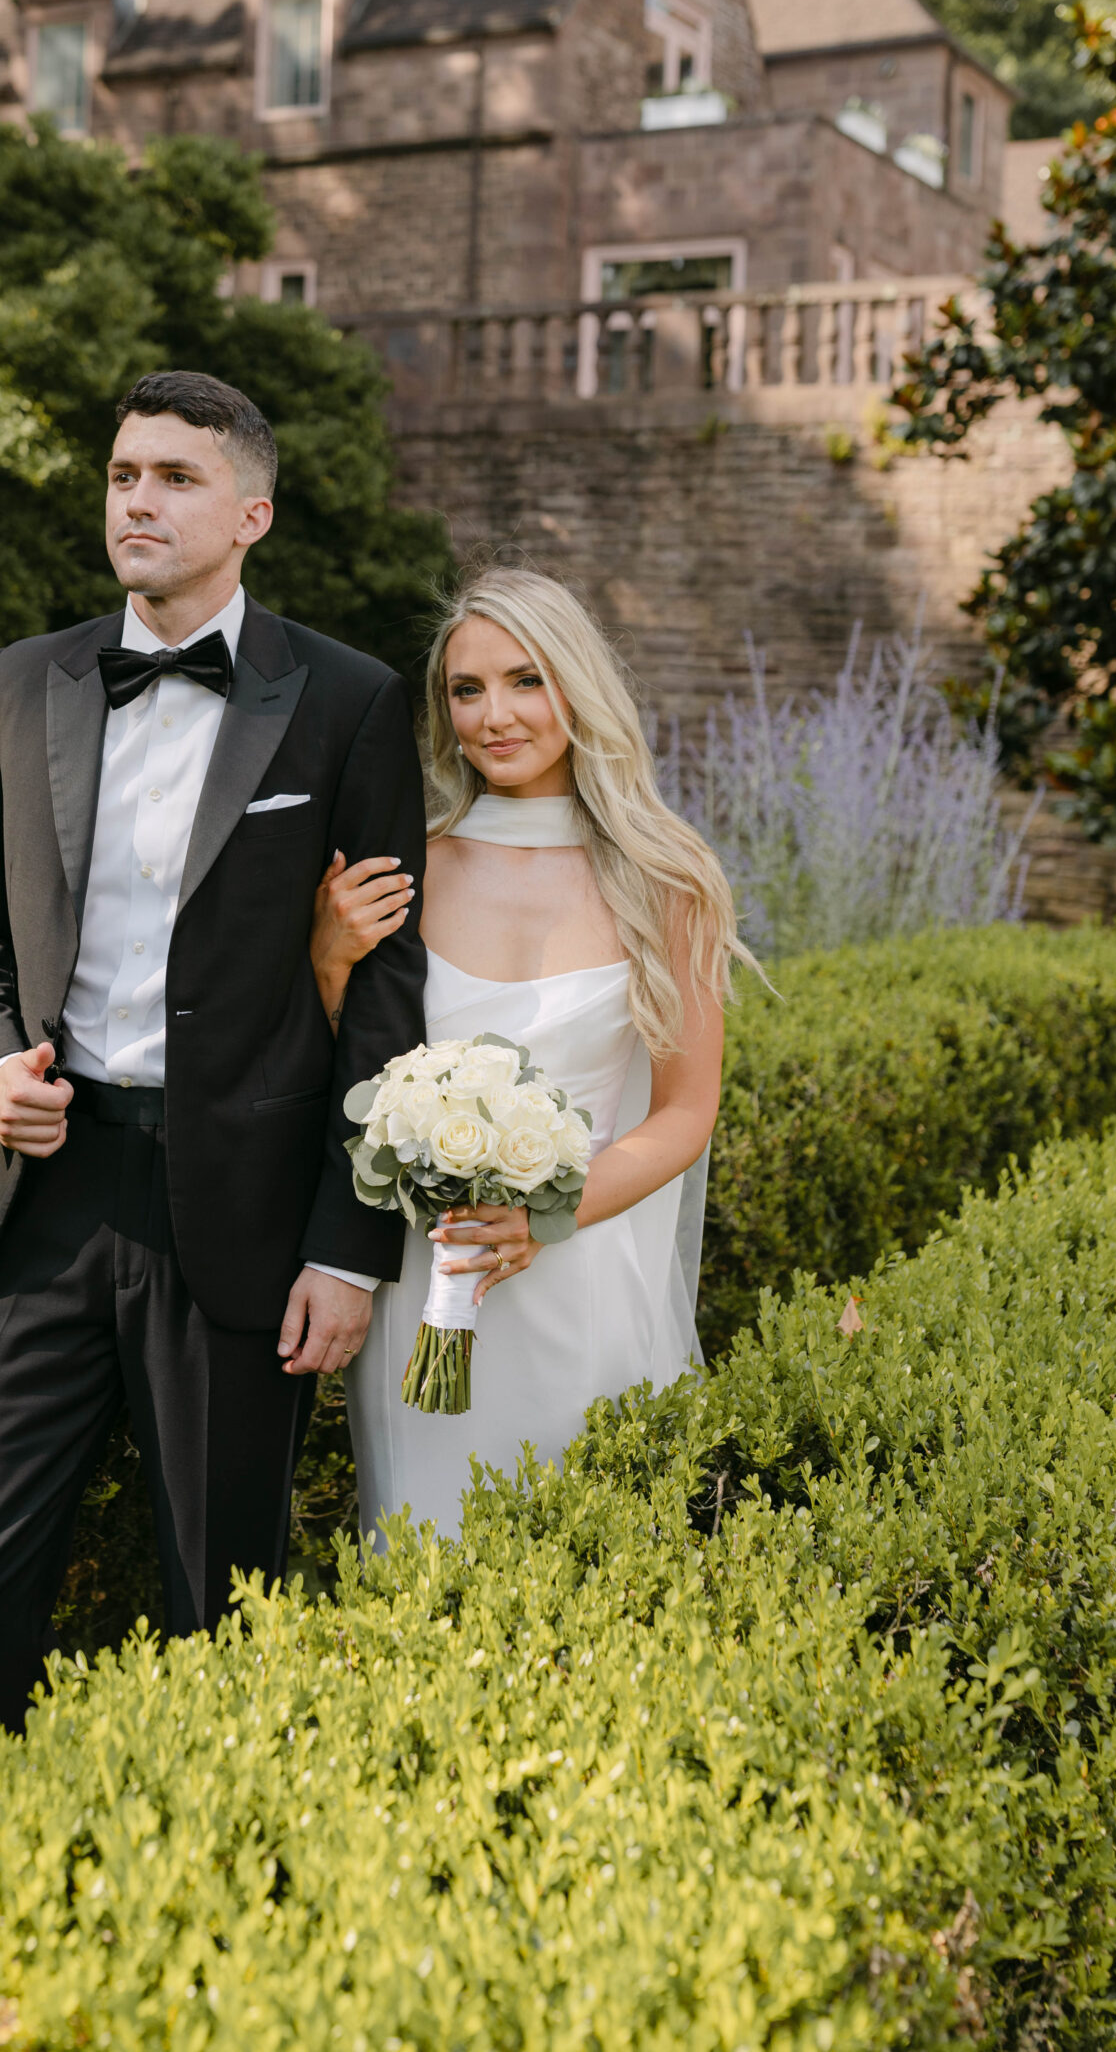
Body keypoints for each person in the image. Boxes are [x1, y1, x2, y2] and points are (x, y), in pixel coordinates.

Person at [0, 369, 427, 1729]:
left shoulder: (346, 699)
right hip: (51, 1196)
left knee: (220, 1609)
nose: (137, 500)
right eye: (121, 475)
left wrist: (345, 1242)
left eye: (175, 478)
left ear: (251, 512)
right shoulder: (19, 684)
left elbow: (384, 996)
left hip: (247, 1219)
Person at [311, 567, 750, 1544]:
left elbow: (685, 1111)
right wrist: (329, 961)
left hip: (582, 1276)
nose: (494, 715)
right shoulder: (404, 864)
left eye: (525, 680)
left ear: (576, 690)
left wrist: (540, 1217)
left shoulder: (665, 879)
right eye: (466, 690)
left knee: (588, 1581)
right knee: (422, 1560)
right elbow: (354, 1078)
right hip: (426, 1286)